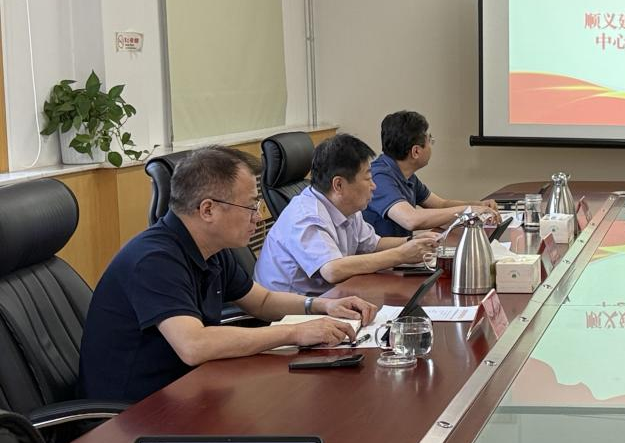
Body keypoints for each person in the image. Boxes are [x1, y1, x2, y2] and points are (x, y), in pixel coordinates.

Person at [79, 146, 377, 404]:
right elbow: (194, 345)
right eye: (250, 206)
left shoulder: (212, 248)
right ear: (207, 210)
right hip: (134, 414)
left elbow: (262, 301)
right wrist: (294, 332)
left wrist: (323, 306)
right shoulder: (154, 260)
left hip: (190, 389)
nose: (258, 217)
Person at [254, 134, 440, 296]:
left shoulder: (346, 206)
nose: (374, 186)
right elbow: (332, 270)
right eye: (368, 178)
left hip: (328, 298)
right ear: (339, 185)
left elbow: (373, 244)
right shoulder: (306, 216)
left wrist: (414, 242)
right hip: (290, 314)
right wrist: (401, 255)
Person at [362, 110, 498, 238]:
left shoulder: (406, 174)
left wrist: (479, 205)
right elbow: (411, 219)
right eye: (430, 141)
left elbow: (441, 204)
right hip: (384, 254)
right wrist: (469, 211)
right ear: (416, 151)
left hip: (403, 251)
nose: (431, 145)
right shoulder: (379, 177)